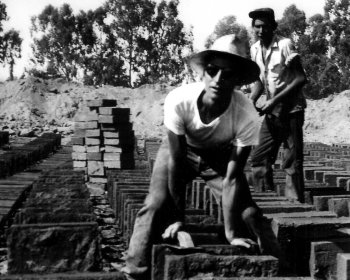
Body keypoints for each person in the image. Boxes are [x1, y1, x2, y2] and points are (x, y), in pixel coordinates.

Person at [122, 34, 281, 280]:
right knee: (154, 206)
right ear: (203, 72)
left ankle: (282, 266)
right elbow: (176, 161)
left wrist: (230, 233)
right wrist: (178, 219)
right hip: (180, 151)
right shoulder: (179, 100)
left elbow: (232, 178)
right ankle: (135, 270)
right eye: (212, 70)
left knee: (249, 214)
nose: (218, 79)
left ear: (238, 79)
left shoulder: (246, 115)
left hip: (219, 157)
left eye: (227, 74)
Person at [248, 8, 307, 202]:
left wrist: (273, 100)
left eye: (266, 26)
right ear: (253, 28)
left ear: (274, 27)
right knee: (259, 157)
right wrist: (252, 99)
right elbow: (258, 82)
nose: (261, 30)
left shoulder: (285, 45)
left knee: (292, 161)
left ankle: (295, 206)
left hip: (291, 110)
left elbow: (300, 79)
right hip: (272, 111)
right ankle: (267, 201)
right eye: (257, 26)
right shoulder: (255, 49)